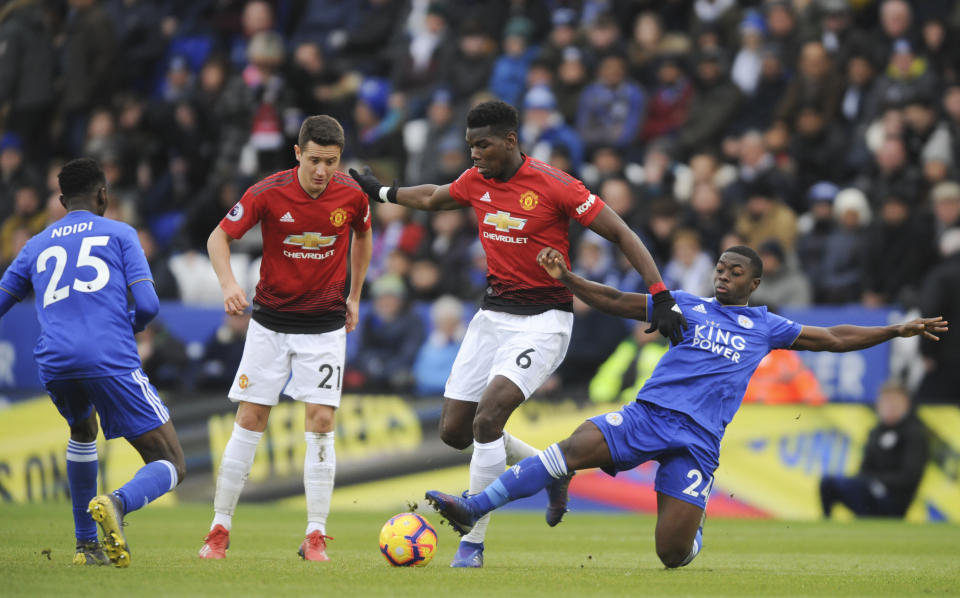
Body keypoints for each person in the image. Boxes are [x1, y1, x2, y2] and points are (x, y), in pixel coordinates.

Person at [425, 244, 947, 569]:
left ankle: (693, 530)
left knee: (670, 556)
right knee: (572, 446)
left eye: (735, 271)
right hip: (648, 415)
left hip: (699, 440)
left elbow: (832, 337)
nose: (723, 276)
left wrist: (894, 329)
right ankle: (474, 506)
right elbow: (614, 301)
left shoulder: (766, 326)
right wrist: (568, 279)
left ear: (755, 283)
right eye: (720, 268)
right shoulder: (685, 307)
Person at [349, 100, 687, 568]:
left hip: (544, 321)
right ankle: (550, 472)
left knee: (488, 421)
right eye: (470, 146)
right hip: (491, 318)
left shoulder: (556, 185)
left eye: (482, 144)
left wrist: (661, 293)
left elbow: (623, 233)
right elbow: (432, 197)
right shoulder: (476, 181)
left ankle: (473, 543)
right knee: (454, 432)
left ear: (510, 141)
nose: (474, 154)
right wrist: (382, 192)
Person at [198, 115, 372, 562]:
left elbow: (363, 236)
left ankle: (315, 535)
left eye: (330, 162)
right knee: (252, 419)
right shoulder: (267, 192)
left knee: (322, 422)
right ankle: (219, 528)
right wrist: (229, 285)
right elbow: (219, 237)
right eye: (314, 160)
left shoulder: (351, 194)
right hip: (270, 324)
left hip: (326, 327)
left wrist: (354, 294)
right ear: (297, 153)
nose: (321, 171)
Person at [0, 158, 186, 567]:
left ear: (63, 201)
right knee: (171, 461)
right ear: (104, 195)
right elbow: (150, 305)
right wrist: (127, 326)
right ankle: (117, 503)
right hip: (108, 356)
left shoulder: (36, 243)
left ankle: (86, 547)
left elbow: (3, 300)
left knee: (83, 430)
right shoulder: (121, 233)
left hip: (54, 361)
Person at [820, 382, 928, 518]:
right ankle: (827, 521)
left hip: (894, 498)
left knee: (860, 486)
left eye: (894, 403)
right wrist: (868, 481)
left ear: (905, 404)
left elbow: (909, 476)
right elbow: (864, 468)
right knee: (828, 483)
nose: (889, 407)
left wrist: (875, 481)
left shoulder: (914, 433)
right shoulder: (876, 432)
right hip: (869, 487)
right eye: (885, 402)